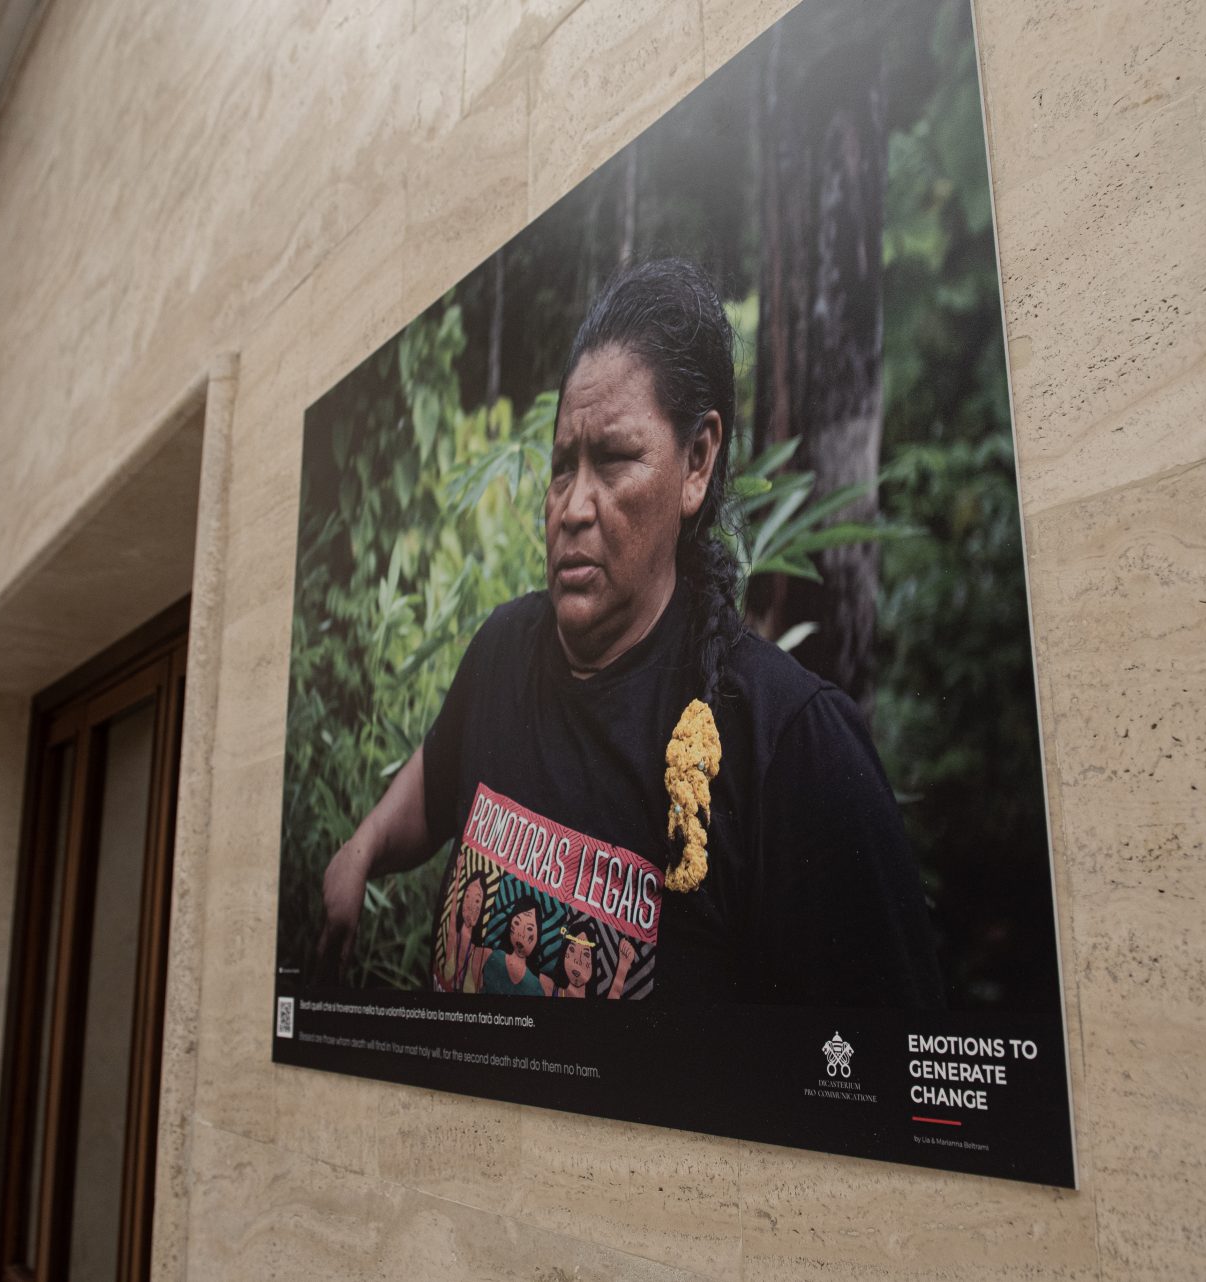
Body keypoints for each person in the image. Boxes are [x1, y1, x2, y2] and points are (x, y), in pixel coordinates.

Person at [319, 257, 941, 1007]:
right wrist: (362, 851)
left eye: (614, 460)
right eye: (561, 467)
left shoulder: (792, 751)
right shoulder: (504, 652)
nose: (573, 507)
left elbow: (890, 1074)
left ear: (697, 463)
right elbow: (442, 774)